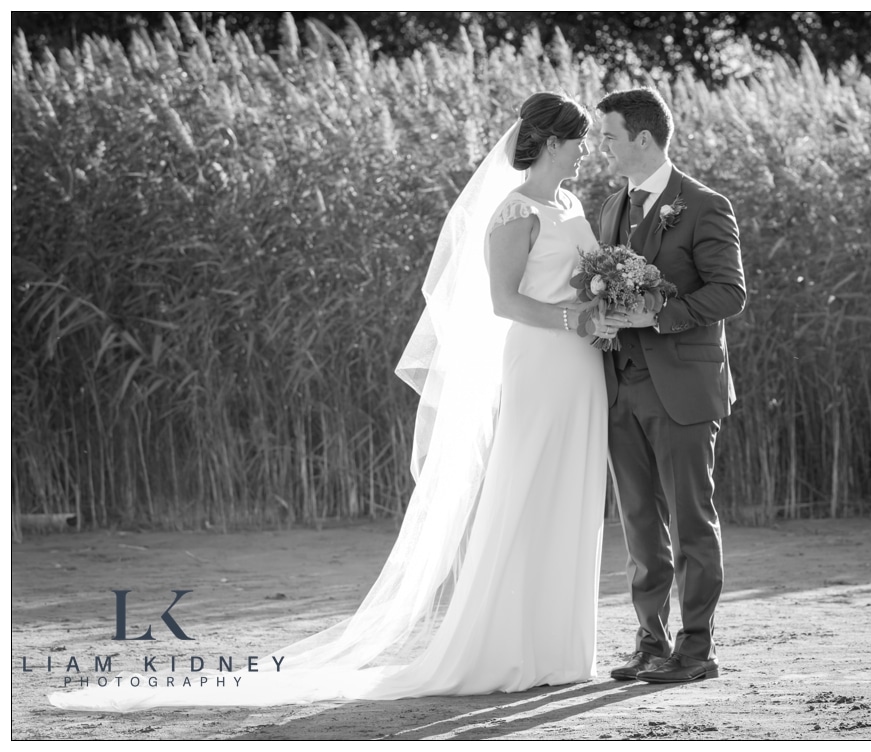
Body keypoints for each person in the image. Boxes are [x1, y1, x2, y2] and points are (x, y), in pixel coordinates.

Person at [48, 92, 621, 711]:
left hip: (581, 369)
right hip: (540, 363)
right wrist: (576, 318)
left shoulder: (569, 203)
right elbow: (504, 303)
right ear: (553, 142)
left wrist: (606, 309)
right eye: (580, 140)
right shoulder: (514, 212)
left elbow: (572, 280)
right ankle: (506, 647)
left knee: (573, 497)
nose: (587, 151)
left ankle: (561, 652)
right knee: (529, 494)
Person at [596, 87, 746, 684]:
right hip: (620, 388)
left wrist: (655, 315)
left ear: (643, 138)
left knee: (690, 520)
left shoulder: (704, 205)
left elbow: (730, 293)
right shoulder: (610, 207)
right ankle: (650, 642)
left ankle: (696, 648)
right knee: (638, 522)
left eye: (608, 136)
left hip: (682, 387)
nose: (601, 147)